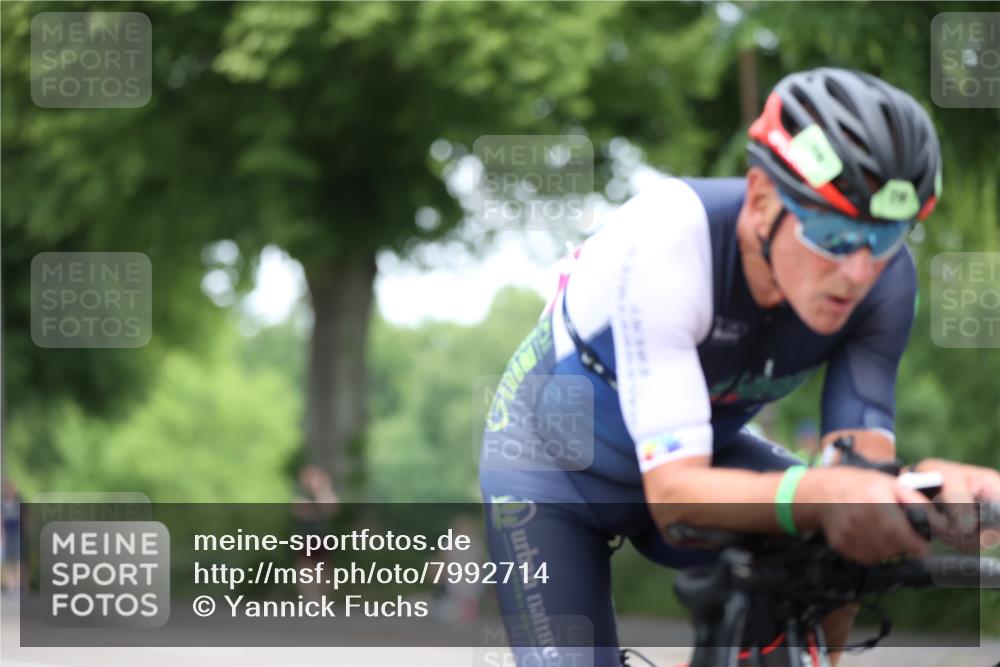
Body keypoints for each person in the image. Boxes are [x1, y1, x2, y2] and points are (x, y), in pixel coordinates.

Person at [478, 67, 1000, 667]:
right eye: (832, 234)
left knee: (832, 557)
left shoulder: (885, 284)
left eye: (886, 238)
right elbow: (676, 498)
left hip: (701, 454)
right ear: (759, 202)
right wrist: (830, 492)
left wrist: (924, 496)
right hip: (551, 470)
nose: (858, 272)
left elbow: (854, 474)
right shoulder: (670, 243)